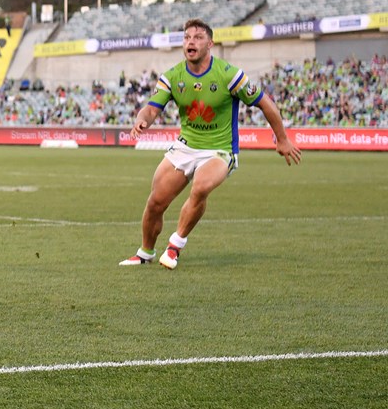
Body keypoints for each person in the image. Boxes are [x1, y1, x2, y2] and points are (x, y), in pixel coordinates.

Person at [121, 18, 302, 269]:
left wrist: (282, 139)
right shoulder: (172, 76)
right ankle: (145, 253)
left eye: (198, 37)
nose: (191, 42)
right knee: (155, 202)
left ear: (210, 44)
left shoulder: (229, 75)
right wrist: (142, 120)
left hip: (220, 149)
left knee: (201, 187)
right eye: (187, 37)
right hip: (185, 147)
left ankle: (175, 246)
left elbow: (265, 103)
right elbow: (151, 109)